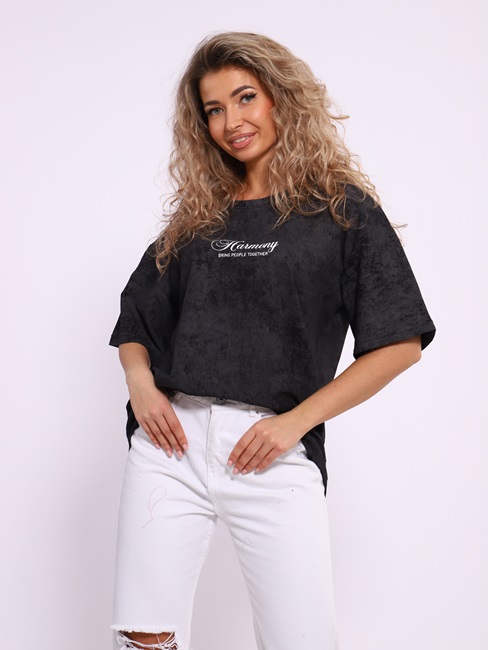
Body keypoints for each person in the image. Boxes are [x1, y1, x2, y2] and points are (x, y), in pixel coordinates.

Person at [108, 32, 436, 650]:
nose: (231, 122)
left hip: (273, 450)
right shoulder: (200, 216)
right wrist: (141, 385)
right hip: (171, 448)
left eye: (245, 97)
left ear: (280, 97)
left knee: (301, 639)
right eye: (213, 109)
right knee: (145, 635)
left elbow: (400, 343)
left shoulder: (342, 212)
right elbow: (137, 318)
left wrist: (295, 424)